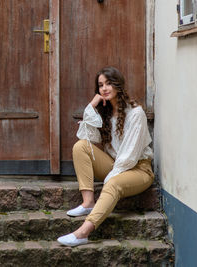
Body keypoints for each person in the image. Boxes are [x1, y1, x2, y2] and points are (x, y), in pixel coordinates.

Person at [57, 66, 154, 247]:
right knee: (81, 147)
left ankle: (82, 233)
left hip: (139, 169)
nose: (104, 88)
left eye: (109, 83)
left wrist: (111, 177)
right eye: (101, 85)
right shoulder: (106, 113)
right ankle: (88, 202)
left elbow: (130, 156)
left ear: (119, 85)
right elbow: (86, 137)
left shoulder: (136, 113)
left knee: (114, 183)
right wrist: (92, 106)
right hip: (117, 164)